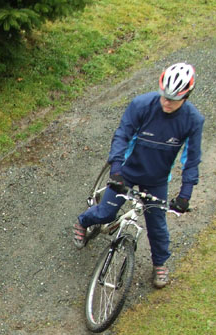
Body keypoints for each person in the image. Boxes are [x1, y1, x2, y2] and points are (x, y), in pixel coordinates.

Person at [73, 62, 205, 288]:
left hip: (156, 181)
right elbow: (122, 135)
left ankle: (160, 264)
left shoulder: (193, 120)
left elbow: (191, 160)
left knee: (157, 227)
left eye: (173, 99)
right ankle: (82, 222)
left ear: (186, 96)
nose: (166, 102)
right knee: (106, 212)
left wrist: (185, 195)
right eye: (164, 95)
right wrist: (116, 170)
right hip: (127, 172)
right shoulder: (142, 105)